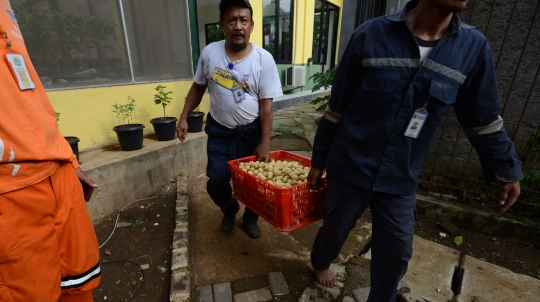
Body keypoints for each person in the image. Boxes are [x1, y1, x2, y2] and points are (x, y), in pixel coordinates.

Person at [307, 0, 523, 300]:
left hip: (401, 174)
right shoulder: (371, 34)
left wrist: (507, 169)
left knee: (396, 251)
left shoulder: (472, 47)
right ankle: (320, 263)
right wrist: (318, 161)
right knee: (334, 228)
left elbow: (483, 119)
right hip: (350, 164)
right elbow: (336, 108)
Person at [0, 1, 101, 301]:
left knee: (80, 285)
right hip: (11, 192)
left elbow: (24, 92)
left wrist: (67, 159)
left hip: (57, 173)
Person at [176, 0, 282, 238]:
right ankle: (229, 208)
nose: (238, 26)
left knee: (254, 183)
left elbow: (266, 106)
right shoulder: (210, 53)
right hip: (220, 132)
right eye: (232, 20)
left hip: (251, 133)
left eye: (243, 20)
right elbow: (197, 87)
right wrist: (184, 117)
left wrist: (265, 142)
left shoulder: (264, 60)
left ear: (252, 25)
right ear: (222, 24)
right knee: (216, 180)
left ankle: (250, 219)